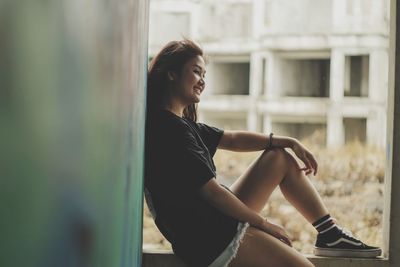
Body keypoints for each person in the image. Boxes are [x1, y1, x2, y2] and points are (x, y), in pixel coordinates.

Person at [144, 39, 381, 267]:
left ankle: (329, 232)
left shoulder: (181, 124)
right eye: (196, 72)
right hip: (209, 239)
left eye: (204, 75)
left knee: (278, 157)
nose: (202, 81)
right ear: (172, 73)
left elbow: (233, 139)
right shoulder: (169, 130)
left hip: (211, 223)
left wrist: (288, 141)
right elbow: (213, 194)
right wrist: (265, 225)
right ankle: (326, 233)